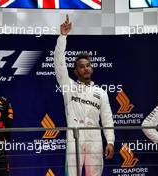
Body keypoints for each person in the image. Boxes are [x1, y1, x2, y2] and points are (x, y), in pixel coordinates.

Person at [53, 15, 115, 176]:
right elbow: (59, 63)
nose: (86, 69)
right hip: (74, 137)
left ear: (92, 68)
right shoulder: (68, 86)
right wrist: (62, 36)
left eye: (88, 65)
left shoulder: (101, 92)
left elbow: (107, 119)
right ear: (76, 71)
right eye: (81, 67)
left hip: (95, 137)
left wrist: (110, 141)